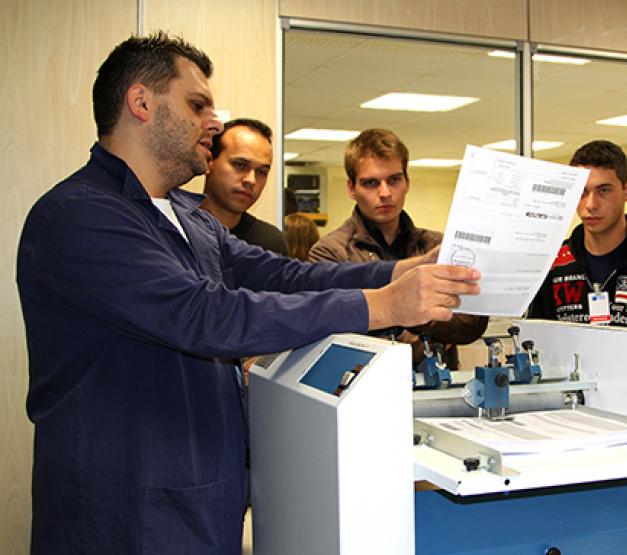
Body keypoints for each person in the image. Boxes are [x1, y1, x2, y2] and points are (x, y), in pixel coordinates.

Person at [16, 32, 479, 554]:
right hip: (122, 511)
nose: (213, 122)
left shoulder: (188, 216)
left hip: (204, 497)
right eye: (197, 105)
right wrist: (382, 306)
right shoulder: (80, 216)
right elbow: (205, 315)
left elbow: (286, 277)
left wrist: (407, 270)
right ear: (141, 103)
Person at [309, 128, 487, 369]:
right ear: (351, 188)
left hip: (439, 393)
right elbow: (335, 331)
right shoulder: (330, 253)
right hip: (365, 391)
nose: (384, 193)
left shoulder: (437, 247)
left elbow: (471, 325)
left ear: (407, 182)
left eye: (394, 180)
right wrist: (428, 321)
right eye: (371, 183)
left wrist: (390, 315)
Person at [527, 140, 627, 330]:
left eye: (603, 191)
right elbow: (538, 341)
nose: (591, 204)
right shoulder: (553, 263)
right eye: (582, 192)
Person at [201, 118, 288, 255]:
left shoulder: (270, 243)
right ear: (208, 162)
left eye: (261, 172)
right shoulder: (175, 230)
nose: (251, 180)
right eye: (240, 165)